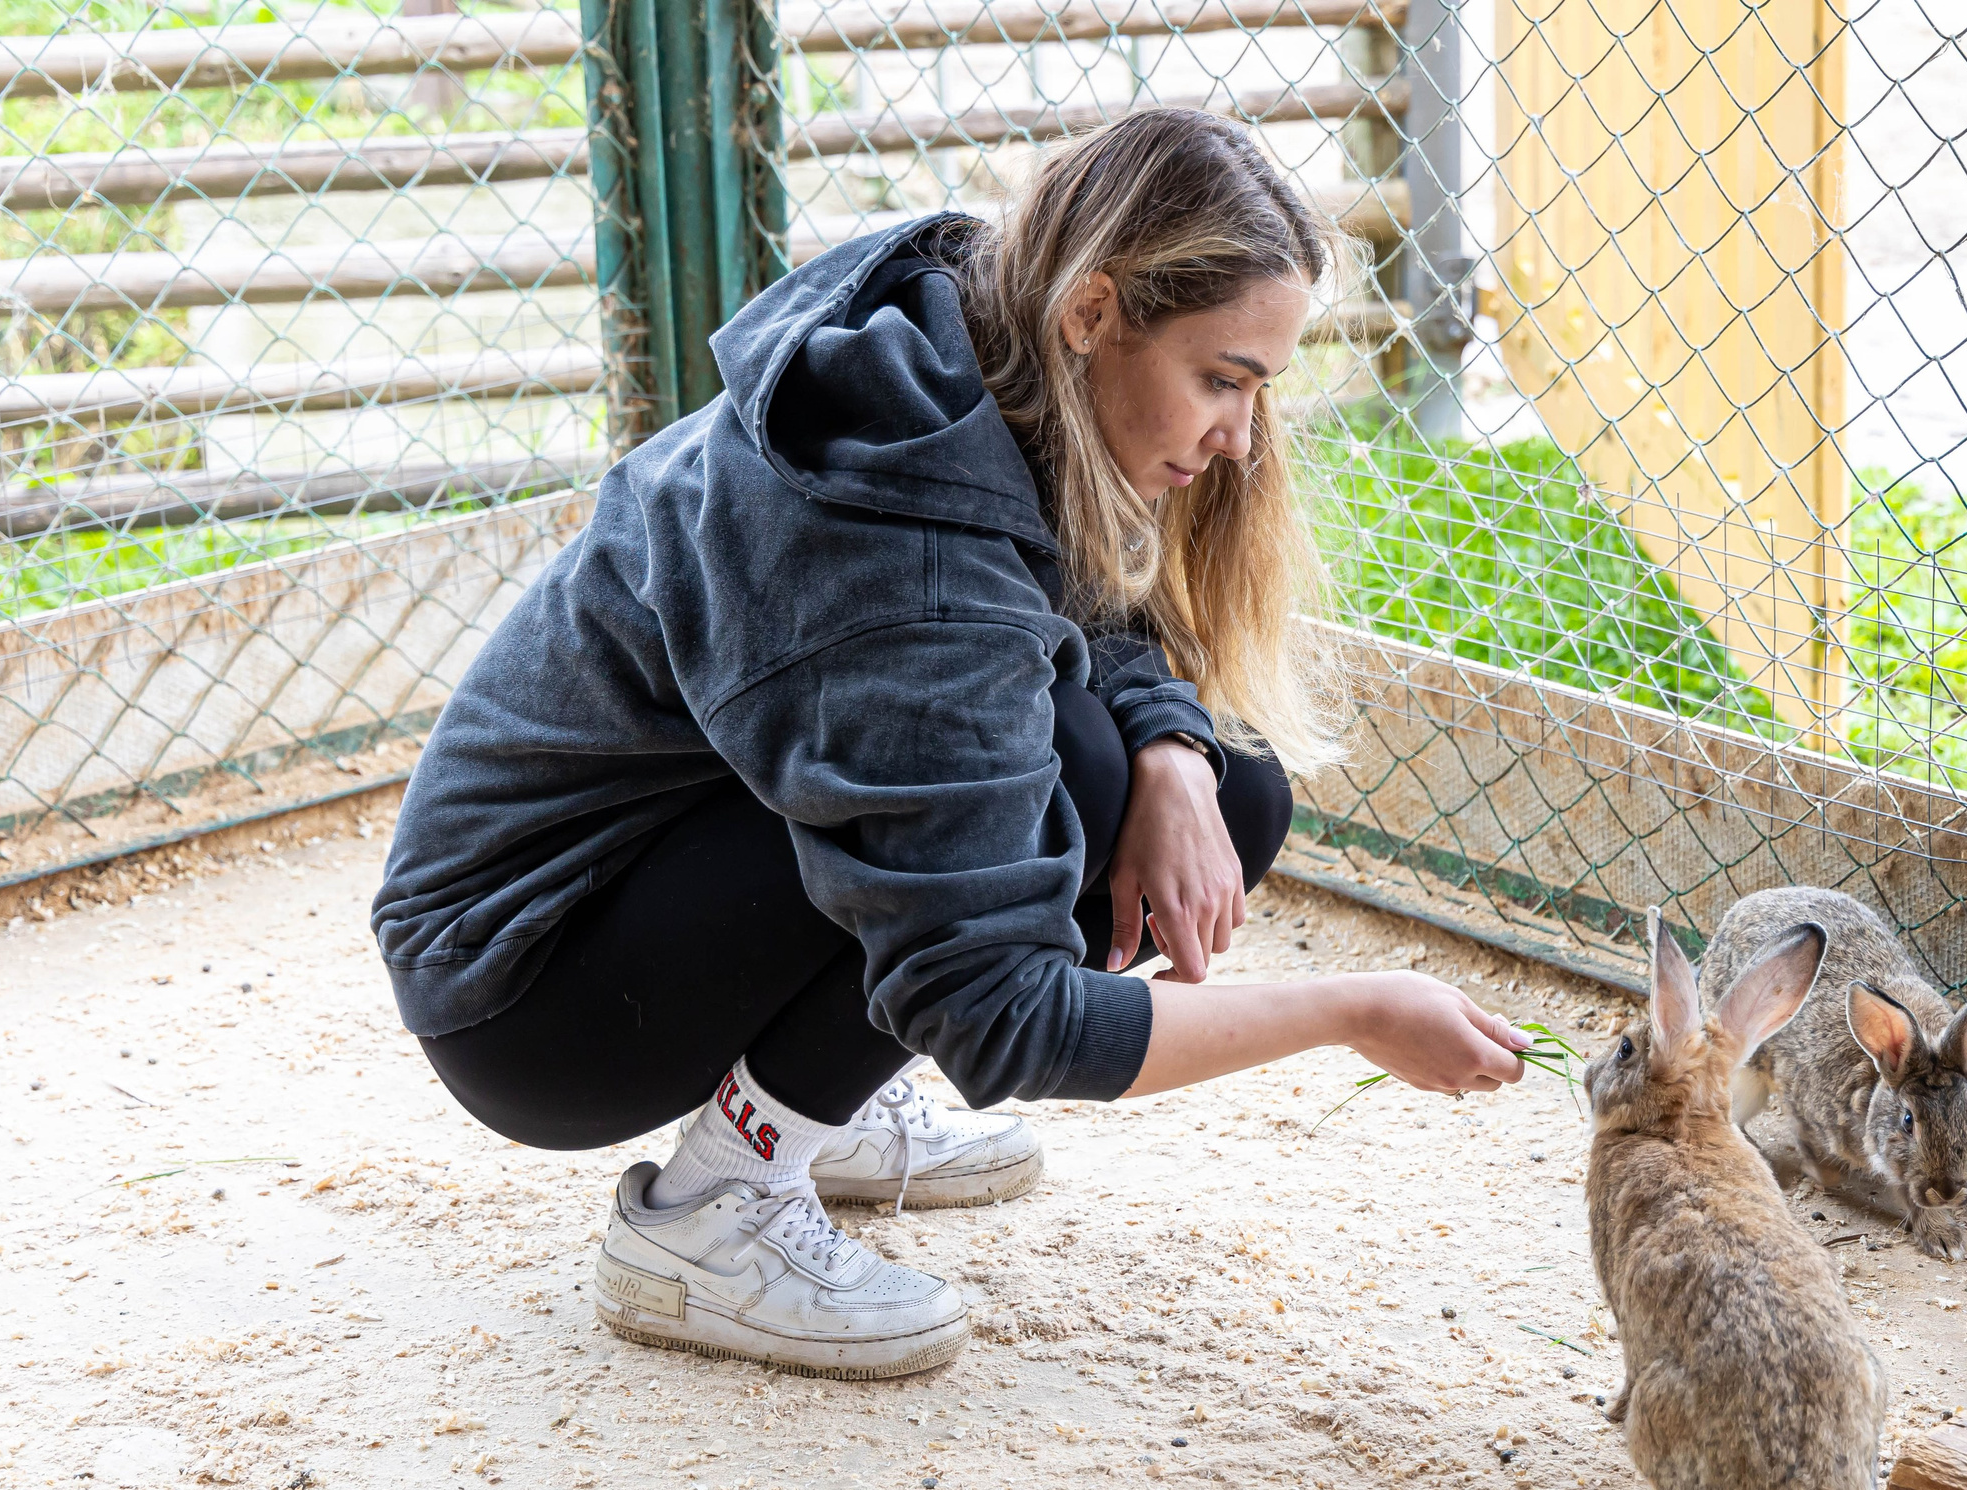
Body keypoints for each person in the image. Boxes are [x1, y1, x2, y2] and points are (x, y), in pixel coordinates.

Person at [370, 109, 1528, 1381]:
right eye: (1222, 379)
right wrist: (1353, 1011)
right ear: (1092, 310)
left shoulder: (977, 340)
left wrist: (1174, 754)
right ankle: (710, 1214)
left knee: (1216, 786)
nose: (1240, 441)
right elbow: (995, 1015)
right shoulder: (907, 558)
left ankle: (807, 1103)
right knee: (1067, 779)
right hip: (531, 988)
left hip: (631, 872)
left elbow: (1071, 609)